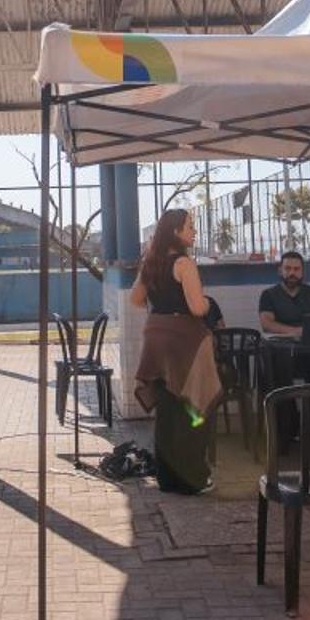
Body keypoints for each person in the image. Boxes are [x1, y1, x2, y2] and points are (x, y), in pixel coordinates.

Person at [128, 209, 223, 495]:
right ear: (176, 232)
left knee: (168, 409)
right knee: (194, 407)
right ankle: (192, 478)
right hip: (184, 341)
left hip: (156, 339)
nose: (194, 232)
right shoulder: (184, 263)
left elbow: (136, 299)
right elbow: (196, 308)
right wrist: (206, 302)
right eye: (190, 227)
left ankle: (167, 479)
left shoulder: (151, 263)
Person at [258, 251, 310, 335]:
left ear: (302, 272)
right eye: (288, 268)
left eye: (296, 269)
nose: (292, 273)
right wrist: (296, 331)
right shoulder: (268, 294)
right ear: (280, 271)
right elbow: (267, 325)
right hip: (279, 344)